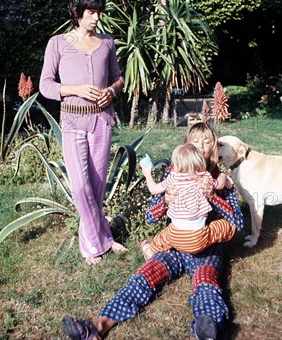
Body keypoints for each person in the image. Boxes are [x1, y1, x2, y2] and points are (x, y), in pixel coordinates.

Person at [61, 122, 243, 339]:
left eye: (207, 142)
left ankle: (207, 328)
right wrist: (166, 199)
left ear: (213, 147)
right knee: (144, 276)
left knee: (206, 282)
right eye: (196, 142)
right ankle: (97, 328)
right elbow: (150, 216)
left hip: (206, 250)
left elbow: (236, 223)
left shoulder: (219, 179)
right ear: (187, 145)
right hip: (173, 246)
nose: (202, 147)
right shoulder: (174, 175)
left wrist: (213, 195)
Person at [39, 0, 125, 266]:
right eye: (91, 13)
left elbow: (118, 79)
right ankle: (100, 241)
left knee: (98, 185)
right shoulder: (57, 44)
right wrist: (74, 88)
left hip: (102, 121)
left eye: (99, 12)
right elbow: (45, 85)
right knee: (80, 186)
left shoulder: (107, 43)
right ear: (77, 13)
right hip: (73, 121)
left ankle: (94, 241)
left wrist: (111, 92)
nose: (96, 18)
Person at [139, 142, 235, 259]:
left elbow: (154, 190)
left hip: (175, 235)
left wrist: (147, 174)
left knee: (162, 238)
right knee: (226, 226)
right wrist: (223, 175)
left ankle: (151, 251)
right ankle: (215, 247)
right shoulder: (204, 176)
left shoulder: (173, 177)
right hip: (199, 237)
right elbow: (219, 185)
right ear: (199, 161)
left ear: (177, 164)